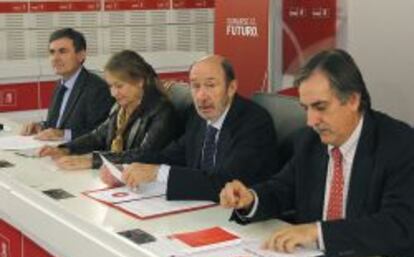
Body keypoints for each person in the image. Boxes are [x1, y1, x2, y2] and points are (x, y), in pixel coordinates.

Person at [219, 49, 414, 257]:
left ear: (352, 100)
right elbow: (282, 188)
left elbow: (399, 224)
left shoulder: (400, 144)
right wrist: (250, 199)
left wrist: (318, 233)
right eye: (306, 108)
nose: (311, 121)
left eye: (320, 107)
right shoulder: (308, 141)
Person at [101, 55, 279, 202]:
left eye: (210, 85)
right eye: (195, 86)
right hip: (200, 209)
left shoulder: (254, 122)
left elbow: (224, 180)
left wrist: (158, 172)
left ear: (231, 87)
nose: (201, 96)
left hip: (240, 217)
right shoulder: (197, 116)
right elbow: (170, 155)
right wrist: (125, 168)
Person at [37, 50, 179, 170]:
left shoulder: (161, 111)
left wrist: (92, 160)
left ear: (140, 81)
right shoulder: (120, 107)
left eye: (119, 86)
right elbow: (98, 136)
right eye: (111, 86)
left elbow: (143, 155)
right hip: (116, 175)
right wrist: (66, 149)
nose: (113, 93)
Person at [20, 28, 114, 141]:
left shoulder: (97, 88)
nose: (55, 58)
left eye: (62, 51)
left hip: (81, 155)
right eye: (52, 52)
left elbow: (102, 134)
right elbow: (57, 124)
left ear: (81, 55)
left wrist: (63, 134)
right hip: (56, 151)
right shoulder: (60, 85)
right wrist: (40, 126)